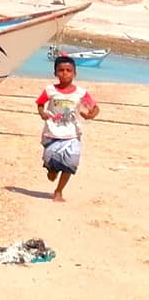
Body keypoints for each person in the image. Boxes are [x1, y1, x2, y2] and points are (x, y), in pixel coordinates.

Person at [35, 55, 100, 202]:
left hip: (72, 134)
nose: (65, 73)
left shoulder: (81, 93)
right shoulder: (50, 90)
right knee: (52, 171)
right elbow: (40, 103)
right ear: (55, 73)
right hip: (52, 134)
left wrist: (90, 115)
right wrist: (42, 113)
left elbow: (95, 108)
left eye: (68, 70)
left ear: (75, 73)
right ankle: (52, 169)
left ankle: (59, 191)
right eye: (61, 70)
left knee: (70, 163)